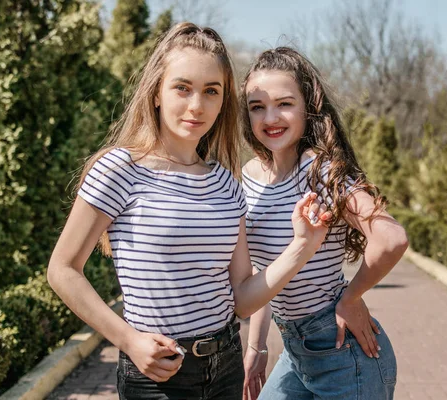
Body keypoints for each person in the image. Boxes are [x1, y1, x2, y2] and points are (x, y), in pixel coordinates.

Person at [47, 25, 331, 400]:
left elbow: (243, 297)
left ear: (222, 102)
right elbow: (62, 270)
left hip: (225, 365)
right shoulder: (120, 168)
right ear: (156, 93)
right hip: (157, 374)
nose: (197, 105)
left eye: (211, 91)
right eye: (182, 87)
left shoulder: (226, 184)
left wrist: (300, 248)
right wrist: (128, 340)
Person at [239, 47, 409, 400]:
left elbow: (391, 238)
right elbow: (266, 270)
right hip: (295, 351)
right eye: (257, 107)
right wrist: (257, 348)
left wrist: (351, 297)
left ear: (308, 107)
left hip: (343, 354)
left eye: (284, 103)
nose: (270, 117)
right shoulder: (249, 177)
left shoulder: (320, 170)